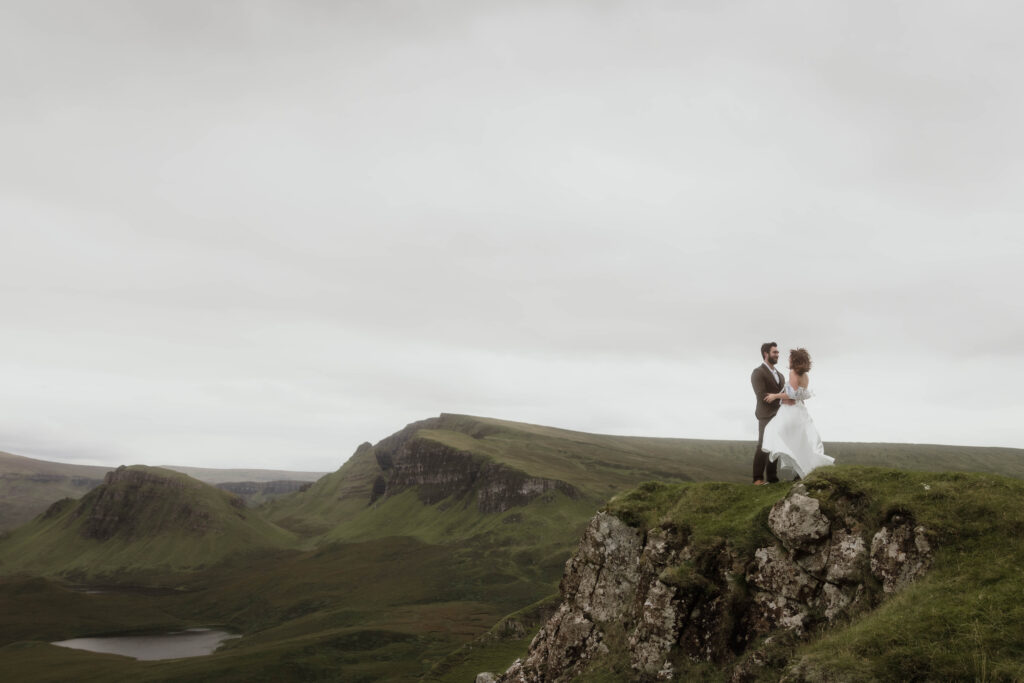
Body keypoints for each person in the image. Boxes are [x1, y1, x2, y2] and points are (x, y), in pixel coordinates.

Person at [761, 348, 834, 479]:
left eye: (790, 357)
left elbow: (792, 394)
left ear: (794, 360)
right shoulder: (805, 376)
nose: (788, 359)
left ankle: (794, 470)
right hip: (800, 410)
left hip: (790, 411)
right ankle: (800, 472)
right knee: (799, 442)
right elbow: (799, 393)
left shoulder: (793, 373)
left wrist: (775, 396)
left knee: (772, 431)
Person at [750, 341, 790, 485]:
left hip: (780, 415)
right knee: (763, 444)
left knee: (775, 445)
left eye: (778, 352)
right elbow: (761, 395)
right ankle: (757, 479)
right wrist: (779, 400)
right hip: (766, 414)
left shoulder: (780, 375)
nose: (777, 355)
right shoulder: (758, 373)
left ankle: (772, 478)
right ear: (766, 354)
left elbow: (784, 393)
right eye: (775, 352)